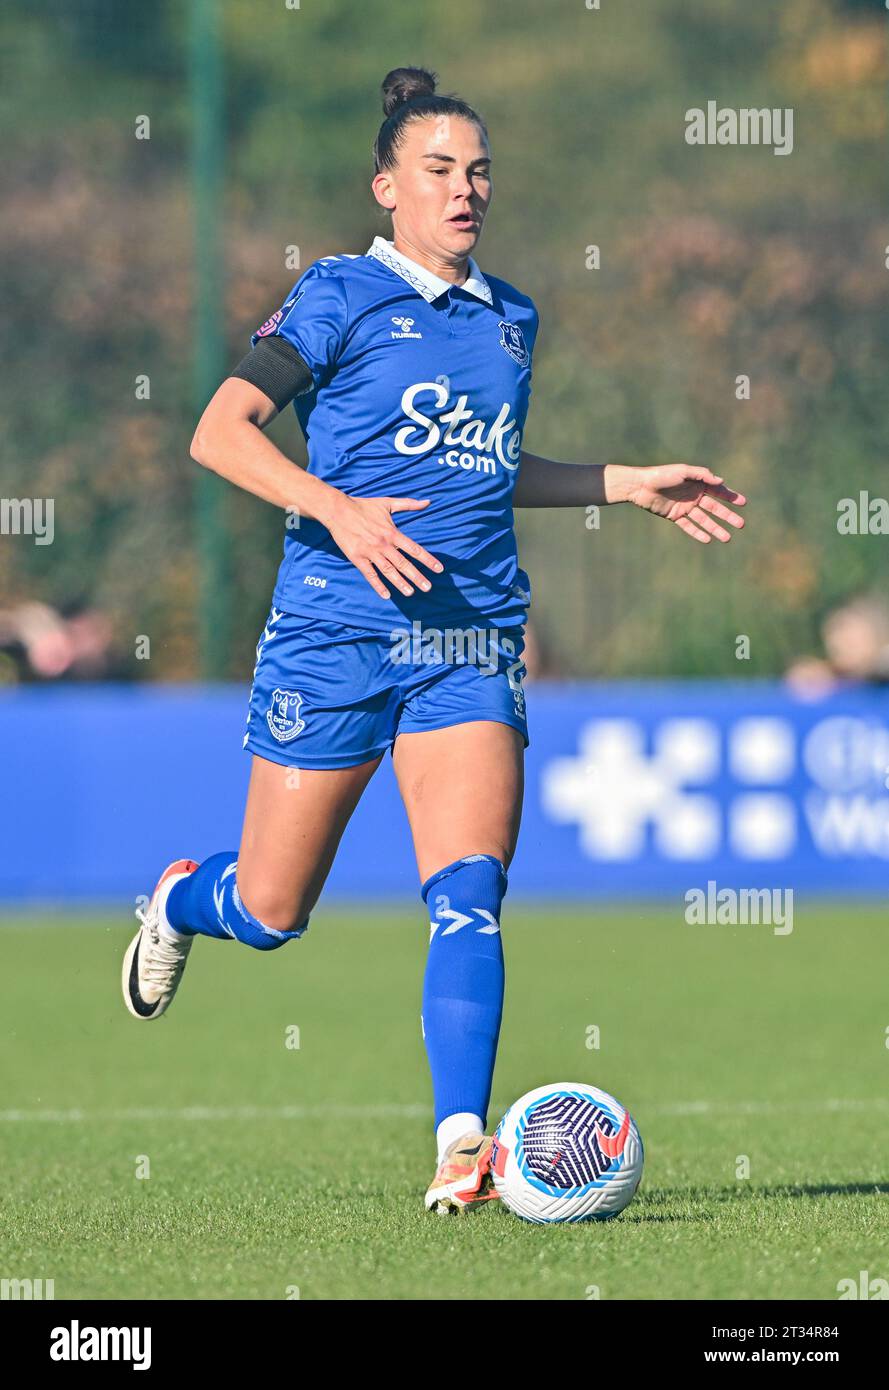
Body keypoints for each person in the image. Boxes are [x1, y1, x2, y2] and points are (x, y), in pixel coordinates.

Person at [121, 66, 746, 1213]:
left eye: (480, 171)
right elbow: (219, 432)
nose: (467, 190)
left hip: (468, 639)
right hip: (331, 639)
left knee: (468, 894)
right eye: (440, 170)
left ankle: (462, 1143)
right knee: (268, 912)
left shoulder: (512, 318)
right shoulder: (337, 294)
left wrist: (623, 484)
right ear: (387, 186)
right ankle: (179, 900)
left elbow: (491, 472)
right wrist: (336, 506)